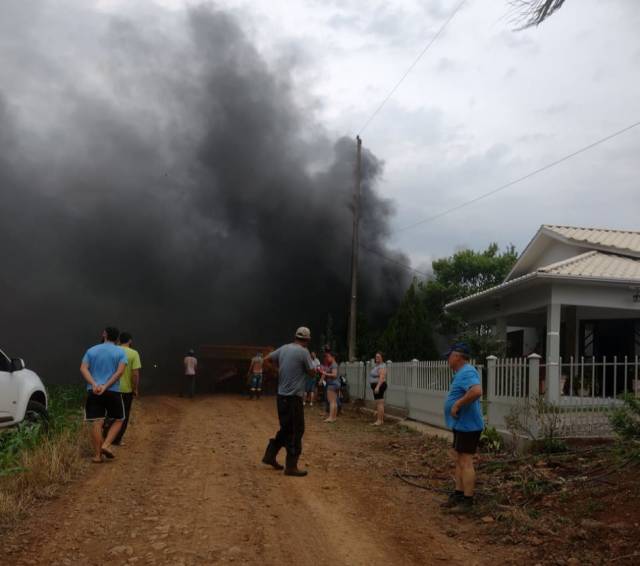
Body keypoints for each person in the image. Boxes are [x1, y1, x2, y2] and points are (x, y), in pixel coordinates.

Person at [261, 326, 315, 477]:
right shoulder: (304, 352)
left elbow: (266, 360)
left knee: (286, 428)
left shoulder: (284, 348)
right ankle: (291, 466)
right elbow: (311, 372)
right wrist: (310, 370)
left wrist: (277, 371)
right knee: (296, 430)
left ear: (295, 337)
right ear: (307, 340)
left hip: (281, 397)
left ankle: (270, 455)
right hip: (293, 398)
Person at [442, 342, 484, 510]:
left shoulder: (467, 371)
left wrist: (457, 404)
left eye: (449, 356)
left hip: (469, 426)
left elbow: (476, 391)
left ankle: (467, 500)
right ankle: (459, 494)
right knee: (459, 460)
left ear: (457, 356)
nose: (447, 359)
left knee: (466, 461)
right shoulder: (461, 372)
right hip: (462, 424)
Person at [80, 326, 128, 463]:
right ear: (118, 338)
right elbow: (119, 372)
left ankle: (97, 456)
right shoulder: (120, 352)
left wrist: (95, 384)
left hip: (93, 391)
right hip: (113, 391)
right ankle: (106, 445)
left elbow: (83, 368)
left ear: (104, 334)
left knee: (97, 421)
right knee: (119, 419)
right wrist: (106, 386)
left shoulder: (91, 350)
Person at [110, 332, 141, 446]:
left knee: (111, 413)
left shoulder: (112, 351)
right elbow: (135, 374)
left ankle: (106, 436)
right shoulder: (134, 353)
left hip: (110, 388)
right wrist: (135, 388)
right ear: (130, 341)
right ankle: (116, 439)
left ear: (119, 340)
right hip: (126, 390)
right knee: (124, 415)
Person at [369, 352, 387, 426]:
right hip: (377, 385)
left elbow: (382, 377)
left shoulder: (382, 366)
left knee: (379, 403)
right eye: (376, 357)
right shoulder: (377, 366)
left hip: (379, 385)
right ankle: (381, 420)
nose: (377, 358)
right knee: (380, 403)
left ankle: (379, 420)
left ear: (382, 358)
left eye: (378, 357)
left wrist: (377, 387)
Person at [320, 351, 339, 423]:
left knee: (331, 401)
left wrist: (325, 373)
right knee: (334, 401)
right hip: (335, 384)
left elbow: (334, 375)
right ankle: (334, 417)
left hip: (332, 384)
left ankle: (331, 417)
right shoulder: (333, 364)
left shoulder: (333, 365)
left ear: (333, 357)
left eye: (328, 357)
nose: (327, 358)